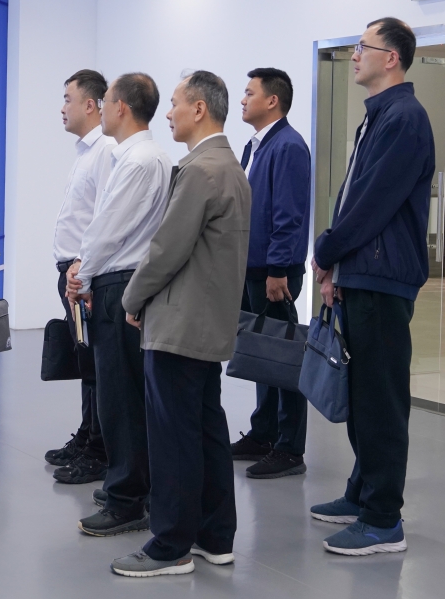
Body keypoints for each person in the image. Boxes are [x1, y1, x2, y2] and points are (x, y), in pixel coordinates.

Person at [109, 71, 250, 577]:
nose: (167, 113)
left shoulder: (200, 171)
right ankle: (215, 535)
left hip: (179, 324)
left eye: (174, 103)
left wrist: (131, 298)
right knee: (206, 430)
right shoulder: (230, 167)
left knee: (173, 439)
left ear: (199, 109)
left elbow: (166, 250)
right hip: (207, 324)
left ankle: (170, 546)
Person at [309, 17, 433, 556]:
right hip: (363, 273)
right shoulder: (379, 115)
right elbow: (354, 196)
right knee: (362, 395)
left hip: (384, 279)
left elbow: (372, 202)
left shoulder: (405, 118)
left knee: (381, 400)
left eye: (364, 46)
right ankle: (362, 493)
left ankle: (384, 519)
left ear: (392, 57)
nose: (355, 54)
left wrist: (328, 249)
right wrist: (338, 268)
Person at [65, 73, 171, 537]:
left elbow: (108, 228)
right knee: (122, 395)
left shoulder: (140, 160)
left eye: (105, 101)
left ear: (122, 107)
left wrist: (81, 273)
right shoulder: (137, 156)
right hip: (118, 280)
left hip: (118, 282)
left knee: (121, 400)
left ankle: (127, 499)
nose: (100, 108)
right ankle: (130, 485)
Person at [229, 68, 312, 480]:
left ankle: (289, 448)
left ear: (272, 100)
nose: (243, 100)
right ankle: (263, 433)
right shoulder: (256, 146)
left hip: (273, 273)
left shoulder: (289, 146)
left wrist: (278, 269)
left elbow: (288, 215)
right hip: (253, 269)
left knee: (285, 358)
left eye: (250, 93)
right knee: (263, 355)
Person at [45, 69, 115, 484]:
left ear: (90, 105)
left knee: (96, 366)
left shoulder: (105, 151)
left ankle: (99, 450)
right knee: (85, 362)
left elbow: (105, 219)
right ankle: (88, 436)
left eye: (67, 99)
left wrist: (84, 272)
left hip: (83, 275)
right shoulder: (86, 152)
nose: (62, 107)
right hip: (72, 272)